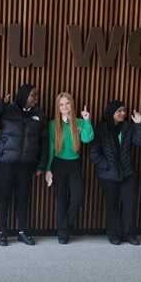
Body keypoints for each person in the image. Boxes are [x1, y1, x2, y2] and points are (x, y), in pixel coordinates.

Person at [0, 84, 48, 246]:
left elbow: (44, 142)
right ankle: (2, 232)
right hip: (6, 162)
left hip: (26, 164)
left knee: (23, 198)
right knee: (3, 197)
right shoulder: (8, 110)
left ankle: (22, 232)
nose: (36, 98)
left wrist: (41, 165)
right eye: (33, 95)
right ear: (24, 95)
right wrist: (0, 105)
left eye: (36, 95)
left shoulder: (39, 114)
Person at [89, 100, 141, 245]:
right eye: (119, 111)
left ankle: (129, 234)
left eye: (124, 111)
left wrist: (139, 124)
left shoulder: (128, 127)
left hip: (127, 172)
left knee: (130, 204)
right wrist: (107, 166)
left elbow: (140, 142)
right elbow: (94, 153)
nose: (123, 113)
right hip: (108, 174)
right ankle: (113, 234)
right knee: (112, 205)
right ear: (111, 112)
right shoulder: (102, 128)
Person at [44, 93, 93, 244]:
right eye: (61, 104)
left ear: (71, 105)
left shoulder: (79, 122)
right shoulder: (53, 125)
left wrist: (87, 120)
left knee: (77, 198)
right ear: (58, 107)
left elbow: (87, 138)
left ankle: (65, 226)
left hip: (74, 164)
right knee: (61, 199)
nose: (64, 107)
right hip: (58, 164)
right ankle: (62, 233)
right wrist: (48, 169)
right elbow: (51, 148)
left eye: (67, 103)